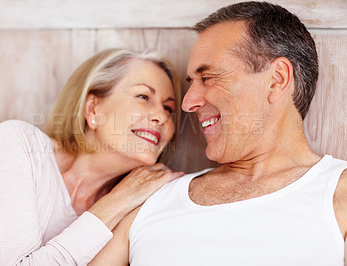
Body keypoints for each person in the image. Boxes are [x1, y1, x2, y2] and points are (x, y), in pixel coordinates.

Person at [89, 2, 347, 265]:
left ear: (276, 79)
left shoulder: (340, 193)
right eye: (192, 83)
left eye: (208, 78)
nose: (187, 104)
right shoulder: (149, 198)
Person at [0, 48, 184, 265]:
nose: (161, 117)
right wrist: (117, 201)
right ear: (93, 109)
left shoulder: (139, 204)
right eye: (143, 96)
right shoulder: (20, 144)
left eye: (168, 108)